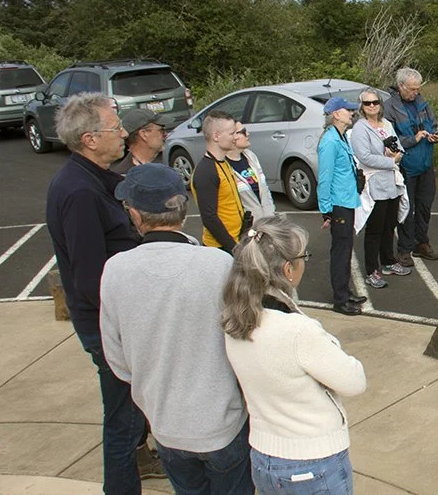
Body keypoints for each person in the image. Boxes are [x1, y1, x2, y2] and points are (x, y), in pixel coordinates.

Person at [100, 164, 253, 493]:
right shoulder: (218, 264)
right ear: (183, 211)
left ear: (137, 216)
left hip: (166, 428)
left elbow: (117, 360)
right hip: (224, 426)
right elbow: (245, 339)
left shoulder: (115, 271)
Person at [45, 93, 161, 492]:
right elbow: (91, 278)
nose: (124, 134)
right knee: (123, 423)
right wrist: (127, 329)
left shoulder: (98, 179)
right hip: (109, 328)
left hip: (118, 322)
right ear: (90, 139)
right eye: (116, 128)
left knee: (133, 414)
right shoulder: (78, 192)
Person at [221, 216, 367, 495]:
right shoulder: (297, 330)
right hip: (313, 464)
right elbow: (354, 380)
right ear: (288, 269)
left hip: (263, 456)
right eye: (303, 256)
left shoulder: (235, 320)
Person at [350, 88, 411, 289]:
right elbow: (363, 156)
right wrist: (389, 160)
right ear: (362, 106)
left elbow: (399, 147)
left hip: (392, 182)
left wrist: (396, 155)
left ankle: (388, 261)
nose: (372, 106)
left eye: (375, 102)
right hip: (375, 183)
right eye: (367, 103)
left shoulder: (387, 124)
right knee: (375, 229)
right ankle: (371, 270)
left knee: (389, 225)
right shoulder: (360, 128)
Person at [384, 67, 438, 265]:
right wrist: (413, 139)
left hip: (425, 162)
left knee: (425, 206)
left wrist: (434, 135)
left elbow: (432, 123)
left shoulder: (422, 102)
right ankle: (405, 248)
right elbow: (389, 139)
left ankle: (421, 242)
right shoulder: (390, 107)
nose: (416, 92)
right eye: (412, 89)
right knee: (406, 208)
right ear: (401, 86)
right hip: (406, 165)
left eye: (418, 88)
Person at [317, 97, 368, 316]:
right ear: (336, 114)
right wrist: (326, 209)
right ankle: (340, 300)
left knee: (346, 249)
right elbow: (325, 177)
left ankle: (345, 292)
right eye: (347, 110)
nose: (351, 113)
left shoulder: (340, 137)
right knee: (340, 251)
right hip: (338, 204)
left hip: (346, 200)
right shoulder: (329, 141)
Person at [192, 110, 245, 253]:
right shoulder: (206, 172)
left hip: (236, 240)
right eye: (231, 133)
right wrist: (234, 248)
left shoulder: (224, 163)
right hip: (220, 248)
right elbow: (209, 218)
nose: (235, 138)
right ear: (216, 136)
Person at [228, 121, 276, 220]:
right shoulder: (224, 167)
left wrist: (271, 212)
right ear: (233, 137)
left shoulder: (250, 155)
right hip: (247, 227)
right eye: (243, 131)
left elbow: (264, 189)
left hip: (268, 222)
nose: (247, 134)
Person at [110, 108, 174, 175]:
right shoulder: (126, 177)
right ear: (144, 134)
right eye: (161, 130)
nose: (166, 134)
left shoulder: (158, 166)